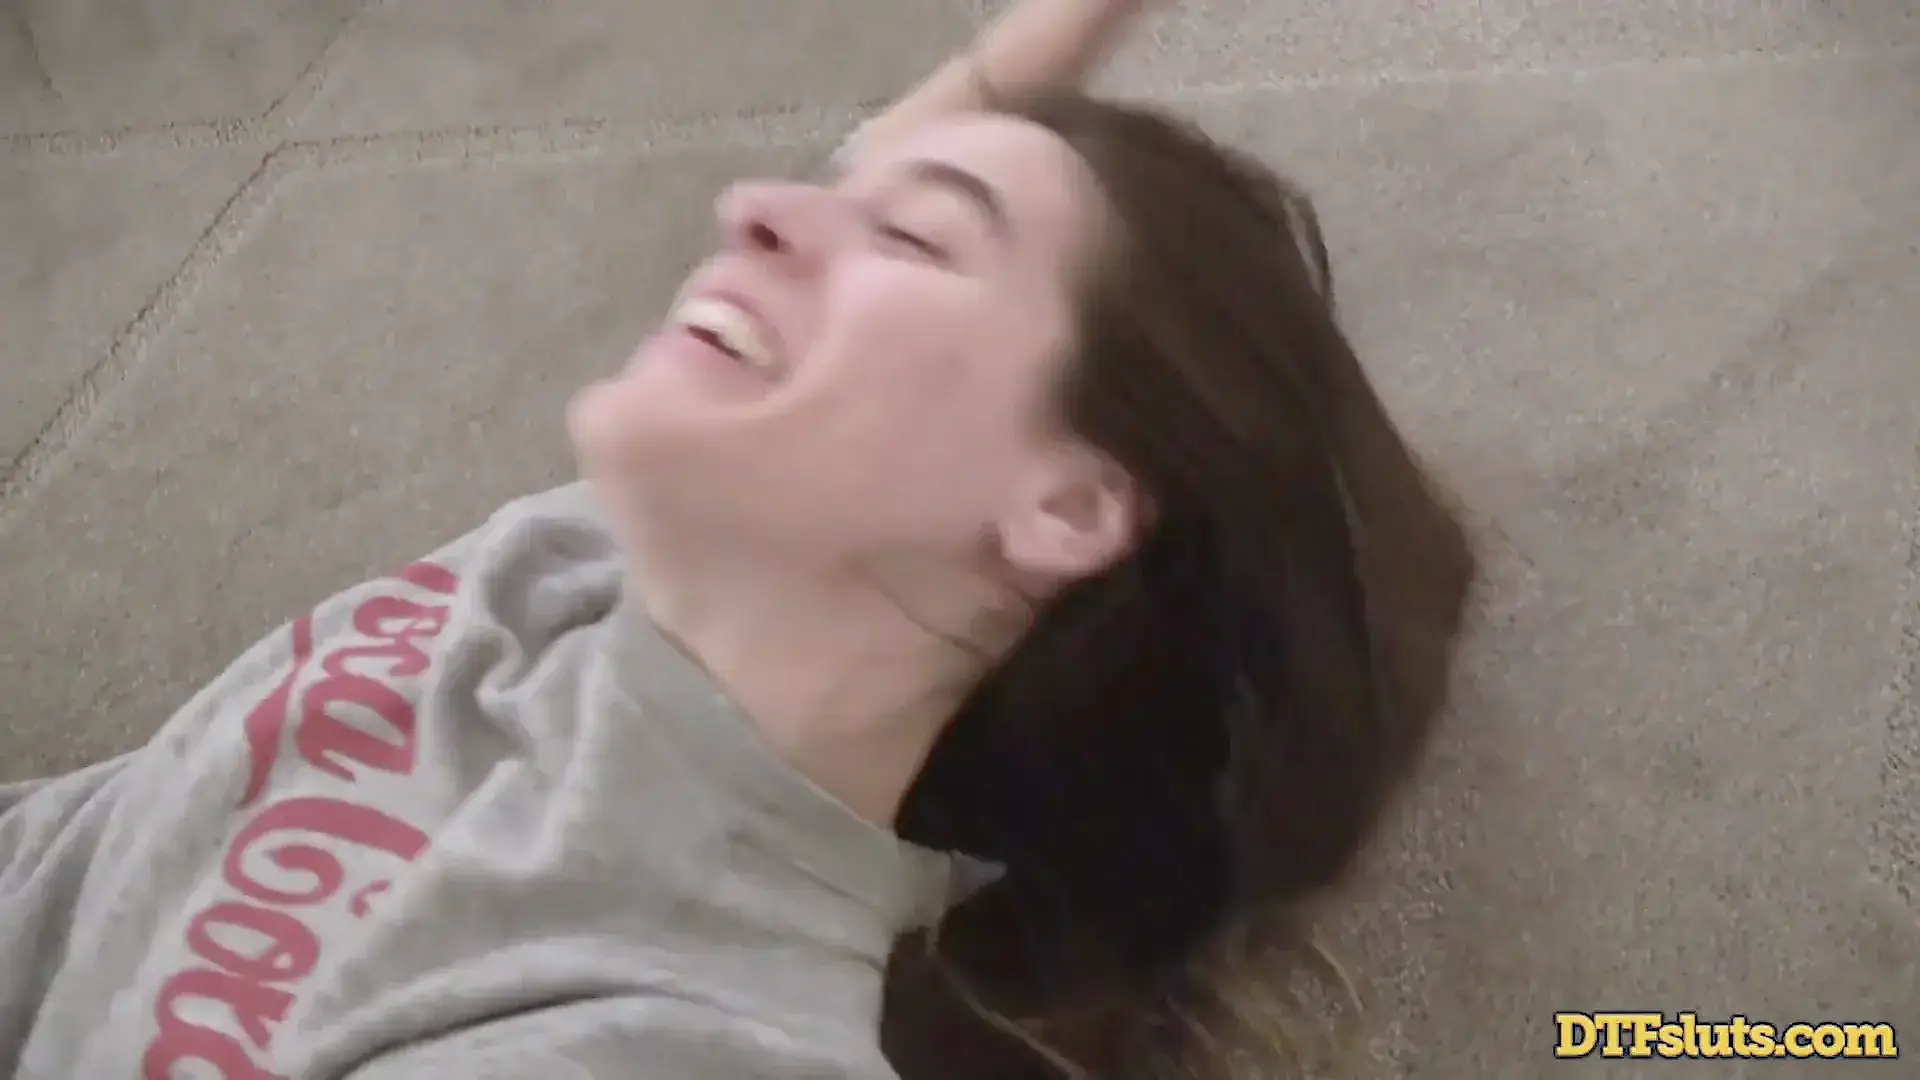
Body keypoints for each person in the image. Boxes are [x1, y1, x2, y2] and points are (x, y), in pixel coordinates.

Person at [0, 0, 1477, 1076]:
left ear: (1066, 507)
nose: (754, 206)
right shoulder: (596, 567)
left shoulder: (667, 1022)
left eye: (914, 239)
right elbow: (903, 151)